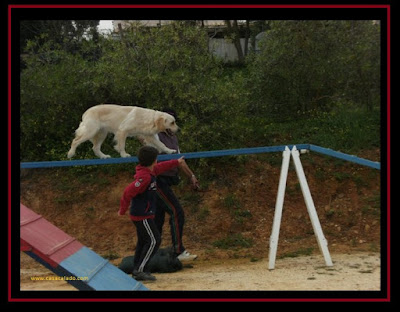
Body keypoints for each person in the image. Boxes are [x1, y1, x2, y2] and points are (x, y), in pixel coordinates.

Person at [119, 146, 185, 281]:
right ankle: (140, 270)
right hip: (141, 215)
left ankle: (137, 268)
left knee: (143, 242)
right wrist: (122, 210)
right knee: (154, 240)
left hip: (146, 214)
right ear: (154, 160)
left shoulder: (151, 171)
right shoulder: (144, 178)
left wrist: (176, 162)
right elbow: (128, 192)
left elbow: (162, 166)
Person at [154, 108, 200, 262]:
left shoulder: (173, 138)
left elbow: (180, 160)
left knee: (158, 218)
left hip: (167, 179)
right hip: (156, 180)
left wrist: (191, 176)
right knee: (176, 211)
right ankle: (178, 251)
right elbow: (142, 137)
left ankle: (152, 253)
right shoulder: (155, 134)